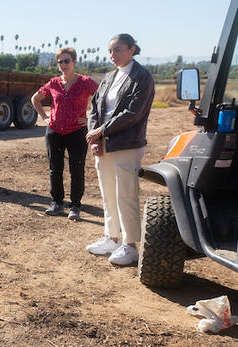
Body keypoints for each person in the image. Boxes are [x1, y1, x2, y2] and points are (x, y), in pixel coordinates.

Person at [85, 34, 155, 266]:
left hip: (127, 144)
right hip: (104, 143)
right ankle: (112, 238)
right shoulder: (109, 77)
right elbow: (95, 107)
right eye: (110, 51)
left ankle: (130, 245)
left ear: (132, 49)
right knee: (108, 193)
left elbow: (133, 113)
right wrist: (95, 137)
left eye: (117, 50)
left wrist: (101, 131)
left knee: (126, 194)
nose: (112, 55)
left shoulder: (142, 77)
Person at [31, 47, 99, 220]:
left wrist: (90, 118)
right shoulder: (53, 83)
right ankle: (56, 203)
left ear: (74, 62)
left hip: (77, 132)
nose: (63, 64)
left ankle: (75, 206)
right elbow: (35, 99)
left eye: (66, 61)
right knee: (55, 169)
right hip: (54, 131)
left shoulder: (86, 82)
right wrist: (45, 117)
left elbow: (102, 98)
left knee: (77, 169)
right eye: (59, 62)